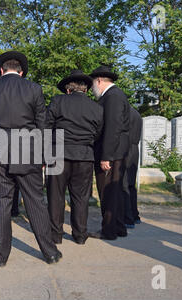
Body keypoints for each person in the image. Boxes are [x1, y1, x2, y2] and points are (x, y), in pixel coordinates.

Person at [0, 51, 62, 267]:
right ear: (21, 72)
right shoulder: (34, 88)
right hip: (28, 150)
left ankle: (1, 255)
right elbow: (42, 125)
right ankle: (50, 252)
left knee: (2, 204)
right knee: (35, 202)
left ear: (2, 71)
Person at [47, 70, 104, 245]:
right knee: (81, 197)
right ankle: (80, 235)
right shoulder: (97, 107)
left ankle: (56, 235)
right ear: (86, 90)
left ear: (68, 89)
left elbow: (46, 127)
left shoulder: (58, 101)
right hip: (84, 155)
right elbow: (98, 133)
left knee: (55, 196)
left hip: (59, 154)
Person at [89, 66, 130, 241]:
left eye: (92, 84)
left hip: (111, 153)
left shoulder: (112, 97)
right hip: (117, 152)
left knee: (108, 193)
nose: (92, 89)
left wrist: (106, 156)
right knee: (115, 192)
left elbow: (113, 128)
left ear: (99, 81)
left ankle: (109, 230)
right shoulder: (115, 95)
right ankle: (118, 227)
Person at [123, 107, 143, 228]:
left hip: (125, 149)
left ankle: (128, 218)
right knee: (131, 185)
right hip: (134, 149)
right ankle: (135, 215)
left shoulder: (124, 113)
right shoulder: (136, 112)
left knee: (123, 184)